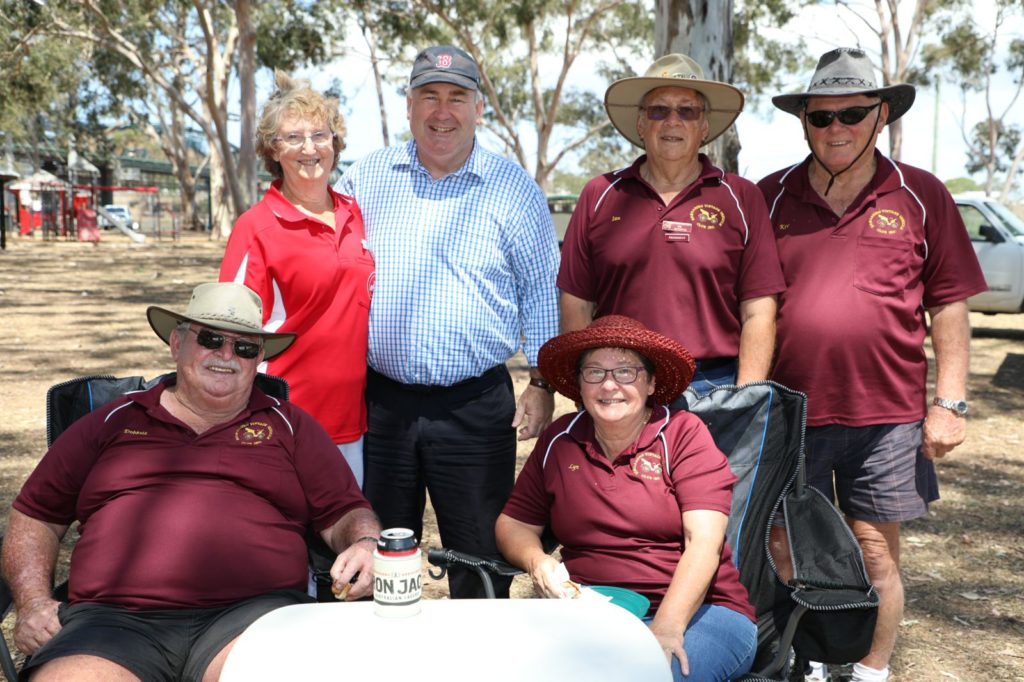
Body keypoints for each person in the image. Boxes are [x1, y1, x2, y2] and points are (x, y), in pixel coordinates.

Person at [1, 282, 380, 682]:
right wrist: (33, 603)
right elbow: (35, 517)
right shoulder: (113, 421)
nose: (226, 355)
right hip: (111, 622)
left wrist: (366, 543)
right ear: (177, 343)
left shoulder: (290, 426)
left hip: (254, 616)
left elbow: (346, 512)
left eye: (245, 347)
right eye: (211, 339)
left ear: (259, 359)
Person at [757, 48, 987, 682]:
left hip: (886, 414)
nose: (837, 128)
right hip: (788, 413)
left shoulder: (922, 194)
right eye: (821, 116)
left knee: (876, 553)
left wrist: (950, 401)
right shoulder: (768, 198)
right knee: (784, 549)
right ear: (803, 120)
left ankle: (870, 671)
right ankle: (801, 661)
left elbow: (949, 305)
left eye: (853, 113)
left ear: (880, 115)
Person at [336, 45, 560, 599]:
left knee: (478, 557)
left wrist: (543, 382)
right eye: (429, 96)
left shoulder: (513, 189)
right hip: (379, 403)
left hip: (475, 407)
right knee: (380, 556)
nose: (442, 111)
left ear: (478, 108)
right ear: (409, 106)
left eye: (456, 97)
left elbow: (541, 294)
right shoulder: (365, 179)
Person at [495, 315, 756, 682]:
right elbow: (515, 523)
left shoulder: (683, 435)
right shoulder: (560, 439)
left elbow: (704, 543)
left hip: (701, 612)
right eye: (595, 372)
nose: (609, 385)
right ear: (579, 385)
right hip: (590, 612)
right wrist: (536, 561)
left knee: (647, 675)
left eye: (626, 372)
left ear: (650, 383)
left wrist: (666, 627)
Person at [558, 53, 784, 398]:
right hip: (620, 382)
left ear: (704, 127)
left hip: (714, 384)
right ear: (641, 124)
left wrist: (745, 397)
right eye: (659, 110)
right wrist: (587, 390)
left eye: (687, 111)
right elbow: (576, 303)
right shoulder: (600, 194)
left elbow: (758, 310)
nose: (672, 121)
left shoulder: (741, 198)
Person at [220, 71, 374, 487]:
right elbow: (228, 332)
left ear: (335, 143)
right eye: (293, 138)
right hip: (281, 420)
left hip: (353, 425)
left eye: (319, 135)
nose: (309, 148)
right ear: (273, 148)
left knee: (346, 542)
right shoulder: (256, 226)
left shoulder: (356, 215)